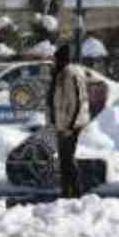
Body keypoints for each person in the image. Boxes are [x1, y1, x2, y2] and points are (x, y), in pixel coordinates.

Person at [49, 44, 90, 198]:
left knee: (67, 159)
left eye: (55, 59)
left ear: (61, 59)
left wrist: (70, 126)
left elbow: (76, 102)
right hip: (64, 123)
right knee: (64, 159)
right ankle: (67, 191)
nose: (53, 61)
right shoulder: (64, 73)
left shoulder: (68, 74)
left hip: (69, 124)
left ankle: (75, 192)